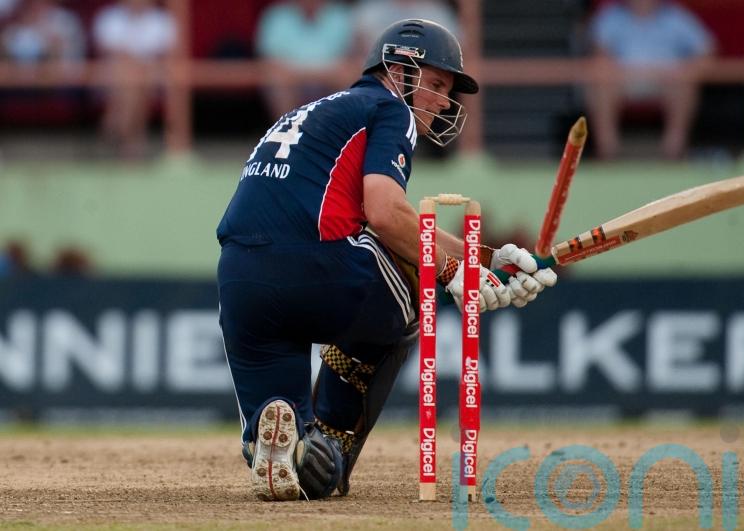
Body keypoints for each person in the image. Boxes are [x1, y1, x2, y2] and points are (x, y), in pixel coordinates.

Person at [216, 19, 557, 501]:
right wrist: (453, 271)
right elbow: (384, 213)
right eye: (437, 85)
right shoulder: (388, 110)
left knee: (286, 433)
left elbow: (391, 217)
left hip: (240, 282)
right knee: (411, 280)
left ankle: (288, 447)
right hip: (318, 268)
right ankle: (333, 441)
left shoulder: (316, 112)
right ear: (399, 70)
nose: (443, 101)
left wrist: (489, 258)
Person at [586, 0, 715, 159]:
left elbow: (706, 51)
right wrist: (611, 69)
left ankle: (674, 152)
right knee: (601, 81)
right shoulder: (611, 16)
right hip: (623, 80)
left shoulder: (676, 15)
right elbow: (600, 55)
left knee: (684, 83)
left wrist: (686, 70)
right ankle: (608, 152)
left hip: (668, 80)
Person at [92, 0, 176, 158]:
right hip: (113, 77)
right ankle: (133, 143)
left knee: (136, 79)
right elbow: (110, 54)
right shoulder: (109, 17)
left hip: (152, 76)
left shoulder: (162, 20)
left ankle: (116, 124)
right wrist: (135, 65)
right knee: (130, 78)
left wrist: (138, 66)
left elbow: (162, 57)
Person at [254, 0, 357, 120]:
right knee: (277, 78)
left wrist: (313, 74)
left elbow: (351, 55)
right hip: (291, 77)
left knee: (349, 75)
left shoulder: (341, 14)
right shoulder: (277, 15)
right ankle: (287, 134)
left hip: (333, 74)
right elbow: (270, 59)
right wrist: (309, 74)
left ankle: (340, 134)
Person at [0, 0, 85, 66]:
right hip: (16, 82)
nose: (37, 3)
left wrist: (50, 40)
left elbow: (73, 58)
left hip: (62, 82)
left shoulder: (65, 20)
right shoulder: (16, 26)